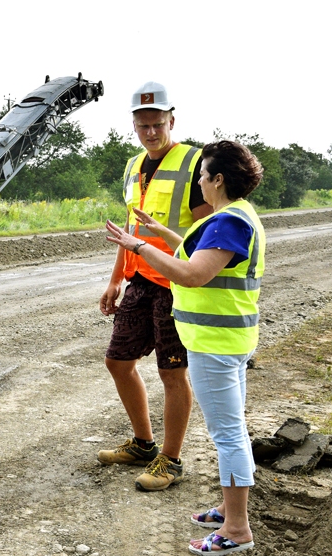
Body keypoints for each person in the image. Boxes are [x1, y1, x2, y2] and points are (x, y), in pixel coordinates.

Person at [105, 140, 264, 555]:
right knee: (232, 432)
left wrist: (139, 247)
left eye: (202, 174)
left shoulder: (227, 220)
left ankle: (236, 529)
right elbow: (202, 253)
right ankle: (230, 511)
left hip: (215, 345)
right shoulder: (235, 215)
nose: (198, 181)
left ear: (218, 179)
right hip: (226, 341)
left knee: (227, 436)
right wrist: (159, 234)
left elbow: (194, 274)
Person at [97, 81, 212, 491]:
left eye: (157, 124)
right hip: (141, 279)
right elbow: (130, 229)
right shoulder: (132, 166)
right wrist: (115, 280)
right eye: (143, 125)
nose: (151, 132)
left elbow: (205, 232)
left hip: (177, 283)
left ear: (171, 121)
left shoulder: (194, 163)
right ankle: (144, 444)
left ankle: (171, 459)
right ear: (134, 125)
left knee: (172, 372)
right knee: (118, 361)